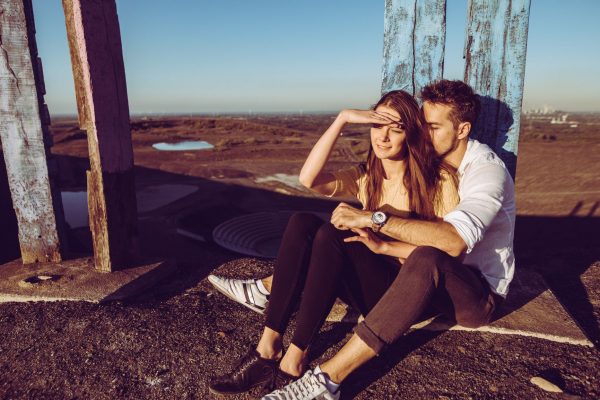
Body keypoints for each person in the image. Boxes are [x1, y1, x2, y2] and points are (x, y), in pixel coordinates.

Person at [208, 89, 460, 399]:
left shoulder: (439, 180)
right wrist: (342, 119)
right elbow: (309, 178)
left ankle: (293, 362)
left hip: (402, 295)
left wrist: (378, 237)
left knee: (331, 235)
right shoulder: (368, 176)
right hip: (366, 283)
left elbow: (451, 249)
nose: (384, 137)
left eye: (396, 128)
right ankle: (267, 349)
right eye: (378, 125)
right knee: (302, 223)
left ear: (411, 133)